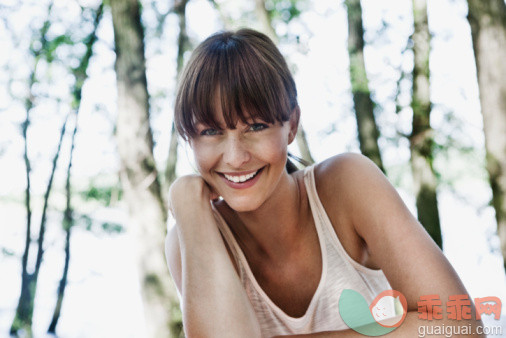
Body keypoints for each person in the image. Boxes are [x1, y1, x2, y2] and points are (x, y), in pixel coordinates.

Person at [165, 28, 482, 337]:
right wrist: (187, 203)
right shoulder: (192, 241)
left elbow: (460, 328)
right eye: (210, 131)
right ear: (189, 139)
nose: (235, 157)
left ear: (291, 126)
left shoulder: (346, 185)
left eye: (256, 126)